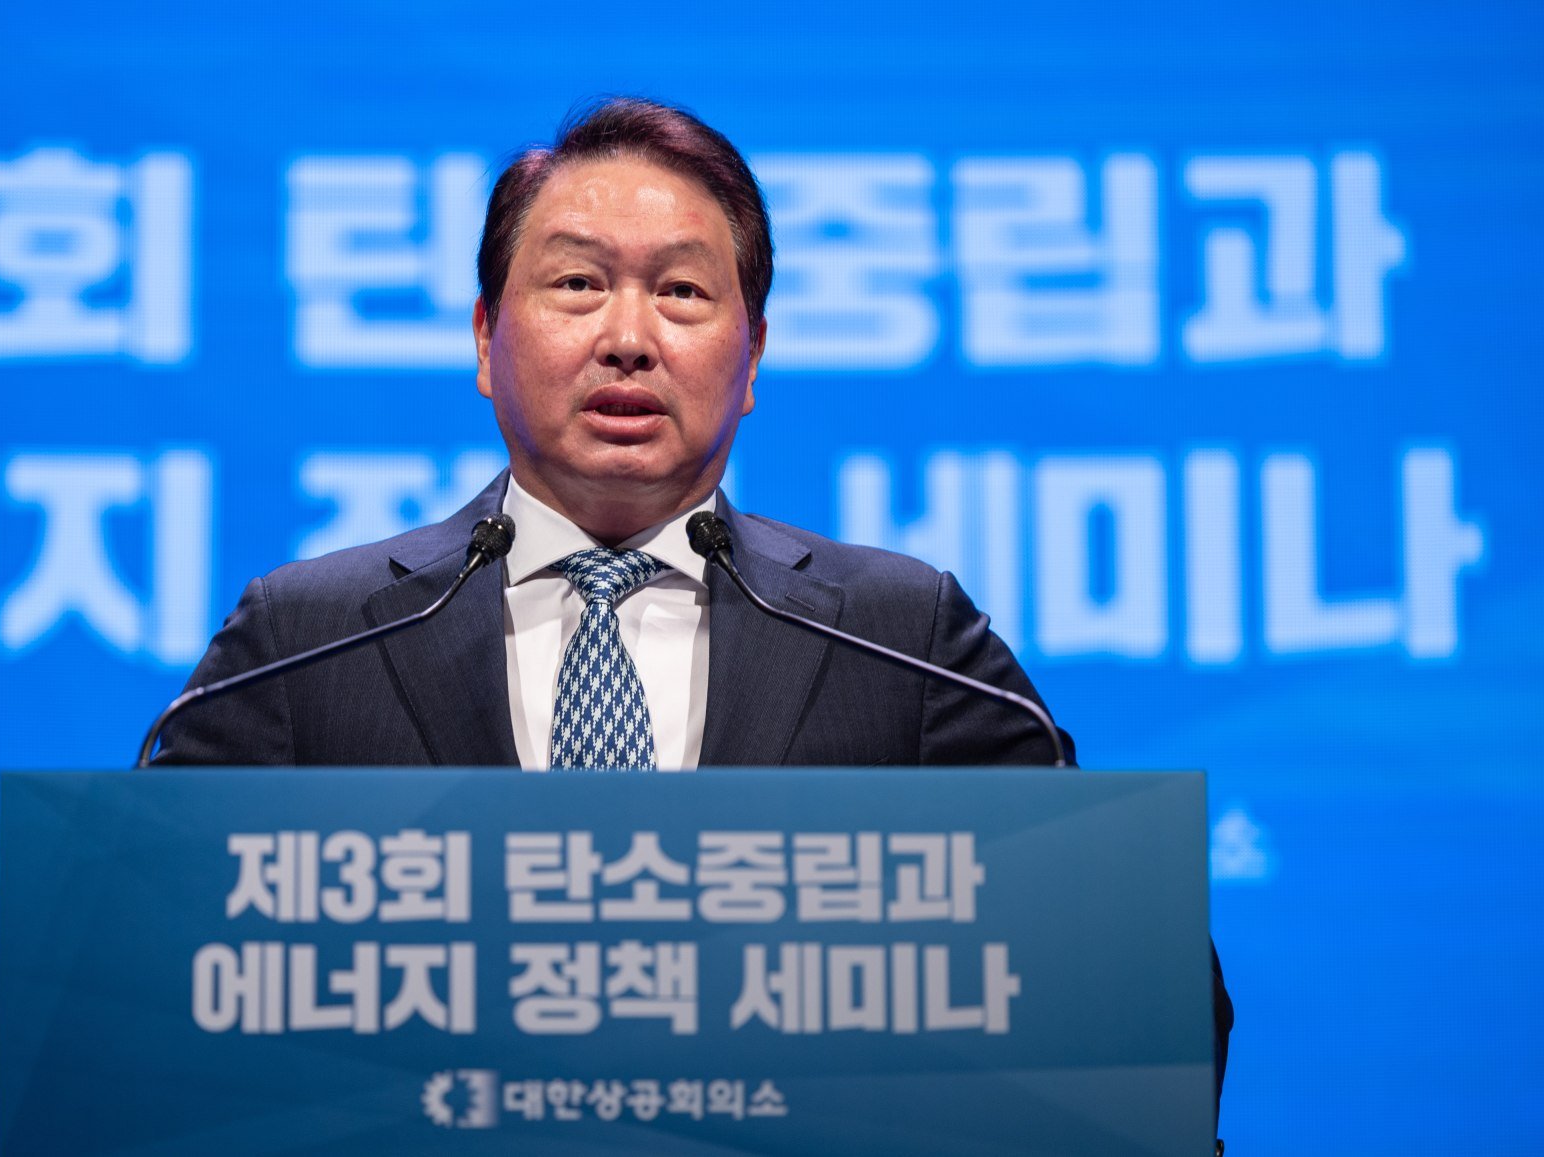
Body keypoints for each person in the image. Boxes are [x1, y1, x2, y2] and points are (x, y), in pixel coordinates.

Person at [155, 96, 1230, 1105]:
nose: (628, 335)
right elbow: (138, 975)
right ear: (485, 340)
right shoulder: (310, 635)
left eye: (681, 292)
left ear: (753, 353)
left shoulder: (899, 635)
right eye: (577, 284)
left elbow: (1136, 978)